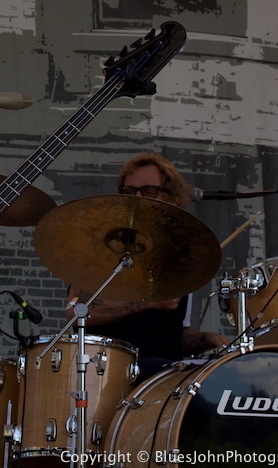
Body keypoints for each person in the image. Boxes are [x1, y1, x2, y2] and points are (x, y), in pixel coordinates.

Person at [65, 152, 227, 378]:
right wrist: (148, 301)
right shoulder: (104, 244)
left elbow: (175, 335)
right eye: (130, 191)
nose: (137, 197)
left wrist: (205, 340)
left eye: (149, 191)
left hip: (161, 374)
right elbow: (76, 311)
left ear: (171, 200)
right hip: (106, 369)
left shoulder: (179, 258)